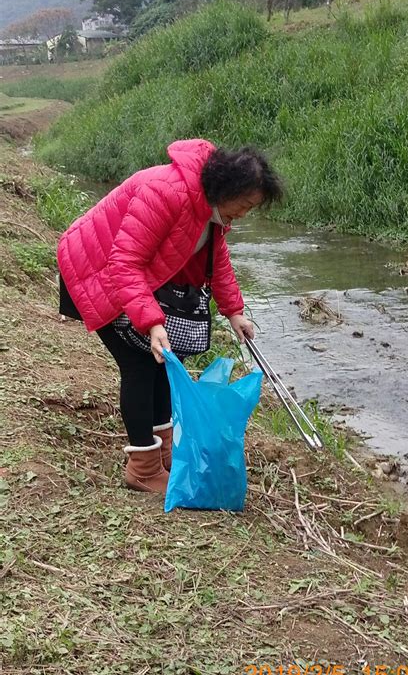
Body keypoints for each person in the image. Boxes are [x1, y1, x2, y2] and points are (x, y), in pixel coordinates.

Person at [57, 139, 283, 494]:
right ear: (226, 188)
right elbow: (124, 262)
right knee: (138, 364)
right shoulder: (167, 193)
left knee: (162, 363)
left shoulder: (210, 211)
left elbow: (216, 260)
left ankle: (163, 456)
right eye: (245, 204)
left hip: (124, 277)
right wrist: (152, 322)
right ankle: (143, 469)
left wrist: (234, 312)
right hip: (92, 271)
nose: (245, 213)